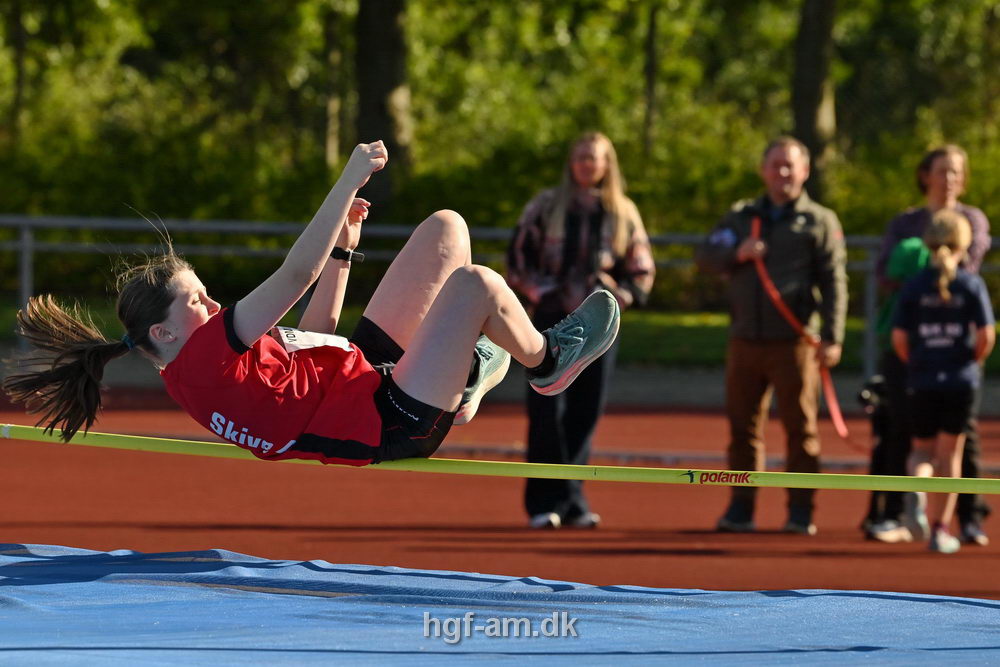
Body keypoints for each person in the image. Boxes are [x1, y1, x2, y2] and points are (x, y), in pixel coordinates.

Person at [3, 141, 621, 468]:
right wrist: (347, 180)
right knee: (476, 286)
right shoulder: (207, 358)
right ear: (164, 333)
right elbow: (296, 274)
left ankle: (464, 377)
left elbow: (316, 339)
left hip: (362, 375)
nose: (211, 300)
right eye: (195, 298)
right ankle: (547, 363)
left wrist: (344, 251)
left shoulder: (202, 362)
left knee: (445, 230)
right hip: (391, 418)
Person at [695, 136, 847, 536]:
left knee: (801, 430)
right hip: (745, 340)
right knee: (742, 429)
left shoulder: (818, 221)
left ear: (805, 171)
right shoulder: (741, 217)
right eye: (775, 164)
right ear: (763, 171)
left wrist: (832, 336)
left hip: (793, 343)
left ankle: (800, 511)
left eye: (790, 165)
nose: (782, 172)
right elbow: (705, 257)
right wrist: (737, 253)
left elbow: (834, 281)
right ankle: (741, 509)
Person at [507, 132, 655, 529]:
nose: (587, 164)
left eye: (595, 158)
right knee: (546, 410)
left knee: (586, 411)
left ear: (608, 165)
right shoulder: (545, 206)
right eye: (581, 157)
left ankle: (572, 500)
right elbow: (517, 258)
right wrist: (542, 290)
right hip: (547, 324)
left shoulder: (623, 211)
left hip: (599, 328)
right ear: (571, 163)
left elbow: (642, 268)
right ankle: (543, 503)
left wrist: (619, 295)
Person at [865, 144, 993, 546]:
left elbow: (970, 263)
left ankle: (966, 517)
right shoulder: (904, 223)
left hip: (930, 360)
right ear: (925, 175)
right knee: (906, 431)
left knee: (954, 443)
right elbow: (885, 274)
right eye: (942, 170)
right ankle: (910, 519)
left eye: (956, 171)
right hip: (941, 362)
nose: (949, 178)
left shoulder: (973, 219)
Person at [891, 210, 995, 553]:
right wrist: (970, 362)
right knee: (950, 454)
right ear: (963, 245)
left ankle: (917, 493)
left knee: (921, 449)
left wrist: (916, 363)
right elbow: (986, 335)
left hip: (922, 379)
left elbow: (899, 338)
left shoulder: (914, 285)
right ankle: (940, 529)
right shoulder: (970, 284)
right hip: (959, 381)